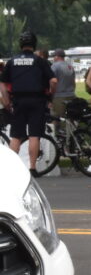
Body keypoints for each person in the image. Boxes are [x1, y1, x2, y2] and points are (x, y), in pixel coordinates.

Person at [0, 31, 56, 175]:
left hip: (18, 100)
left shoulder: (12, 61)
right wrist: (51, 94)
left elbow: (3, 81)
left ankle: (11, 169)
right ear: (34, 44)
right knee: (34, 135)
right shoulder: (39, 61)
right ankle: (32, 167)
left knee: (16, 136)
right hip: (37, 100)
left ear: (21, 44)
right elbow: (54, 81)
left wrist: (6, 99)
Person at [50, 49, 76, 119]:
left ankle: (59, 130)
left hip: (59, 96)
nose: (53, 58)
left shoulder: (54, 66)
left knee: (57, 118)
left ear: (57, 56)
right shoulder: (70, 66)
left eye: (54, 56)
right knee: (70, 117)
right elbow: (73, 82)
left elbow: (53, 82)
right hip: (71, 95)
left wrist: (51, 95)